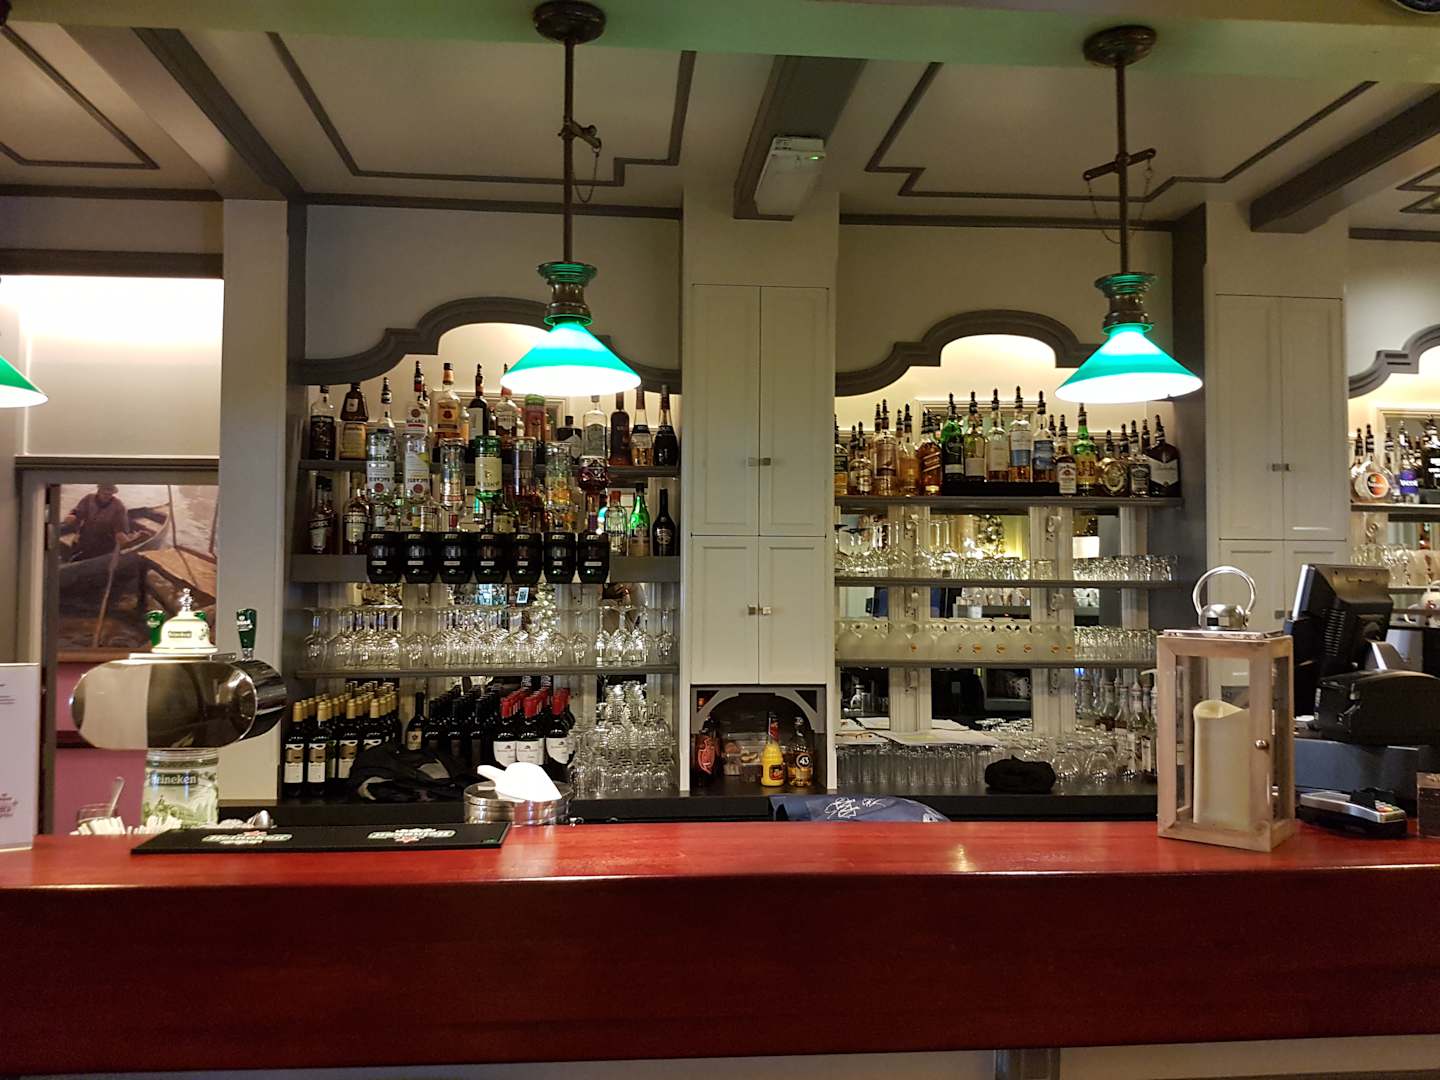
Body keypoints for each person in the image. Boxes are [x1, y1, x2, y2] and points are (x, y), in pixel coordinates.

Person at [63, 484, 133, 562]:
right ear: (99, 491)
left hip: (106, 539)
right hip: (86, 534)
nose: (107, 496)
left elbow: (121, 524)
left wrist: (120, 533)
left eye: (109, 494)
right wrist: (73, 515)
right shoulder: (89, 498)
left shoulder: (118, 505)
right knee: (76, 554)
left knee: (99, 557)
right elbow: (78, 511)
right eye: (104, 493)